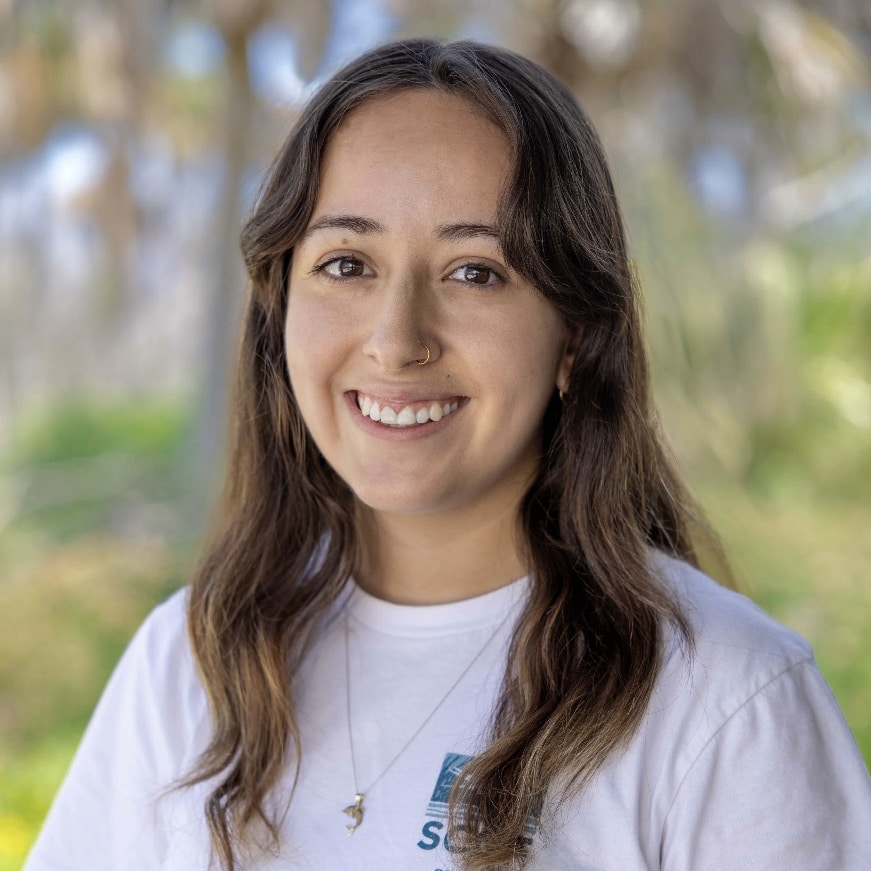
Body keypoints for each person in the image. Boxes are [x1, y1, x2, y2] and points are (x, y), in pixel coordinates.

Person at [24, 38, 871, 871]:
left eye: (474, 272)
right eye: (347, 263)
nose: (396, 341)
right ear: (280, 308)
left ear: (575, 333)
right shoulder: (190, 661)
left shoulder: (725, 699)